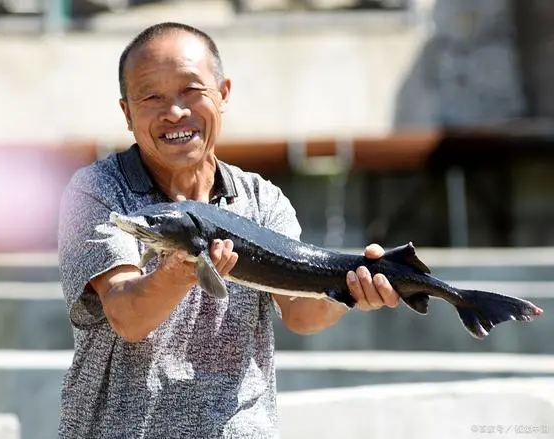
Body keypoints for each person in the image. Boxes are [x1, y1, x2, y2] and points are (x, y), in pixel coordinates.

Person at [57, 22, 401, 439]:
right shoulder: (97, 192)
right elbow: (128, 317)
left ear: (223, 95)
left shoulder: (261, 199)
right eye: (151, 97)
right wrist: (185, 264)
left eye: (192, 91)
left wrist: (353, 292)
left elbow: (301, 312)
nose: (175, 112)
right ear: (127, 113)